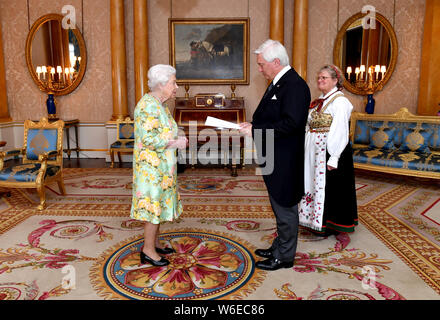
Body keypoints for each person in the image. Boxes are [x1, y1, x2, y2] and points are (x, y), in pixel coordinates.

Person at [239, 39, 311, 271]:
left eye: (261, 64)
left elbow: (291, 123)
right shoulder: (279, 83)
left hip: (285, 159)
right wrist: (252, 124)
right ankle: (279, 246)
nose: (259, 69)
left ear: (276, 62)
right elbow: (272, 117)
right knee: (278, 203)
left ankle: (285, 256)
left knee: (285, 206)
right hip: (274, 156)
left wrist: (256, 129)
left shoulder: (295, 86)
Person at [130, 64, 188, 266]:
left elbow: (164, 130)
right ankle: (147, 250)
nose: (176, 86)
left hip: (162, 169)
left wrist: (177, 135)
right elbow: (148, 139)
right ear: (162, 84)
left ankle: (153, 243)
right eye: (173, 82)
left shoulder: (160, 104)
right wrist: (176, 142)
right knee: (153, 208)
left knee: (159, 205)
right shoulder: (147, 105)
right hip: (151, 170)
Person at [298, 65, 358, 236]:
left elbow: (340, 130)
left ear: (335, 80)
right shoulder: (320, 101)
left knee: (330, 188)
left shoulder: (340, 102)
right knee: (312, 184)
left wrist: (334, 157)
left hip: (330, 152)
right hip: (314, 152)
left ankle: (330, 224)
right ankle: (312, 220)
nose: (320, 80)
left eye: (324, 77)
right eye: (319, 77)